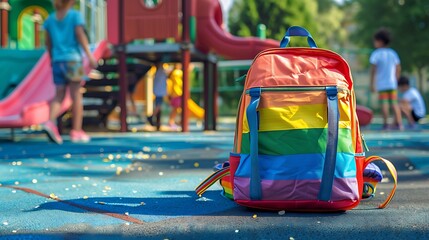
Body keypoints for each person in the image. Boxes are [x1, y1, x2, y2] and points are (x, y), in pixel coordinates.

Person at [43, 0, 97, 144]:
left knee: (59, 94)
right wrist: (90, 56)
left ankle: (50, 122)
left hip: (57, 60)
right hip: (72, 60)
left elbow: (48, 42)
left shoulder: (50, 19)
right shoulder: (74, 16)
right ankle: (76, 131)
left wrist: (51, 57)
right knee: (76, 95)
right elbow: (80, 35)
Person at [369, 28, 403, 130]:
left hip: (382, 84)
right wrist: (396, 79)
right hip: (392, 83)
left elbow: (373, 70)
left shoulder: (376, 54)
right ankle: (399, 124)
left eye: (375, 41)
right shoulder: (393, 53)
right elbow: (398, 67)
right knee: (394, 103)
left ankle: (386, 124)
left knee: (384, 103)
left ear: (380, 41)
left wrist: (372, 83)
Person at [147, 62, 167, 130]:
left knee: (159, 106)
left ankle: (155, 119)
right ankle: (152, 116)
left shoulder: (158, 72)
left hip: (159, 92)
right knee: (158, 105)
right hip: (159, 92)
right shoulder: (160, 72)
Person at [167, 63, 183, 130]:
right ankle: (172, 122)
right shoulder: (177, 72)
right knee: (176, 109)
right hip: (177, 93)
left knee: (176, 109)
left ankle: (173, 122)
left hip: (175, 94)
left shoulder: (174, 73)